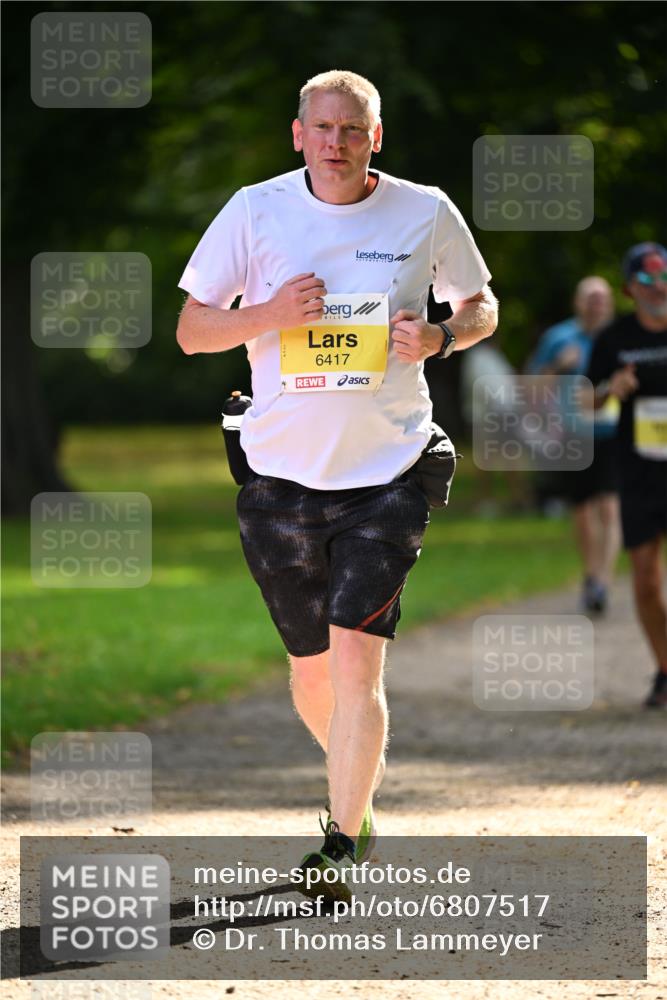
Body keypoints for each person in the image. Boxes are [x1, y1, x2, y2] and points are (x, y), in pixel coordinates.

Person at [176, 70, 497, 896]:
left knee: (357, 664)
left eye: (352, 129)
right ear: (298, 133)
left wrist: (440, 335)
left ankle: (341, 840)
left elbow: (481, 305)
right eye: (322, 128)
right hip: (279, 474)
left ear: (375, 137)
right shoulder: (255, 210)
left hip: (388, 470)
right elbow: (190, 331)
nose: (336, 143)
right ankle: (355, 792)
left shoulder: (424, 209)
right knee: (312, 670)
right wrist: (268, 316)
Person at [587, 243, 667, 708]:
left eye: (663, 278)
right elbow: (586, 398)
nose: (658, 287)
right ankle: (664, 667)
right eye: (647, 280)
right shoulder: (614, 338)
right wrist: (610, 388)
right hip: (638, 471)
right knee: (645, 576)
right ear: (629, 289)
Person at [529, 277, 620, 613]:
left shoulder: (621, 336)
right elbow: (532, 387)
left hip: (614, 432)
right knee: (583, 511)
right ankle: (590, 573)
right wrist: (559, 366)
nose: (597, 304)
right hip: (572, 433)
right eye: (590, 298)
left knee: (610, 506)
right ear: (578, 302)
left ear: (610, 303)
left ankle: (602, 583)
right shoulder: (559, 338)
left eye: (602, 298)